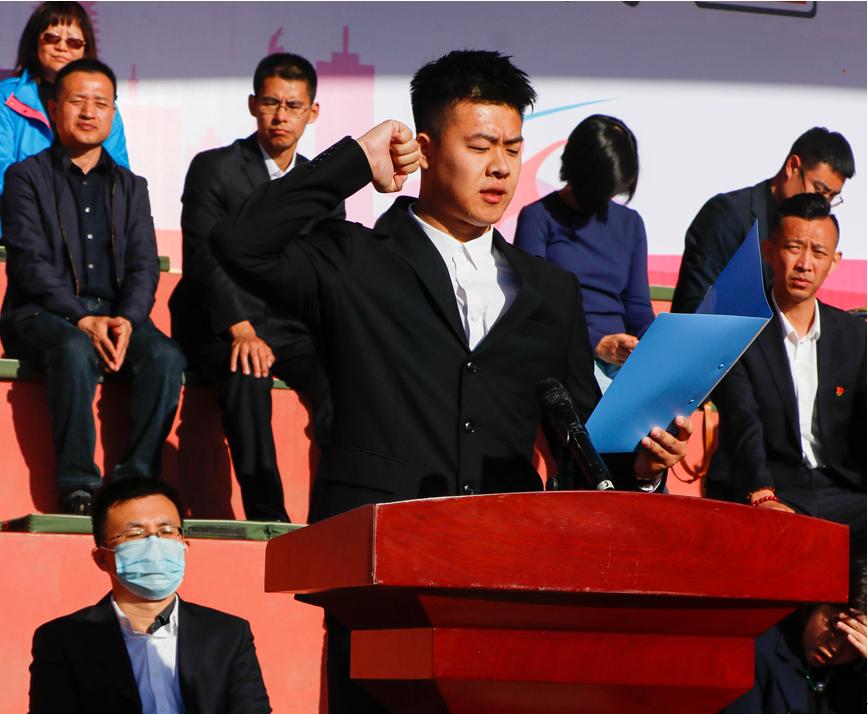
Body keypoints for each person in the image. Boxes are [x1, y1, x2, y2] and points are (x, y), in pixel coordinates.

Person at [212, 49, 691, 712]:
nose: (501, 166)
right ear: (427, 149)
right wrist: (355, 161)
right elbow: (240, 242)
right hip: (379, 581)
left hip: (506, 583)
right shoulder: (355, 260)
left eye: (513, 148)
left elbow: (580, 438)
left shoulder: (550, 290)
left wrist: (638, 464)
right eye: (480, 145)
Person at [0, 58, 185, 516]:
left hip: (115, 313)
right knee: (72, 347)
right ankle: (78, 485)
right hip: (41, 313)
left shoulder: (132, 186)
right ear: (53, 108)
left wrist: (128, 319)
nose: (89, 112)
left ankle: (135, 481)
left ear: (113, 113)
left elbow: (144, 264)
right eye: (78, 101)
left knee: (165, 357)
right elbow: (29, 262)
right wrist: (81, 318)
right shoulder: (24, 178)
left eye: (101, 103)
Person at [170, 53, 339, 523]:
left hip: (291, 326)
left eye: (293, 105)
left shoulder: (321, 182)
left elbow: (329, 267)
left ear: (312, 112)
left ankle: (334, 515)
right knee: (246, 372)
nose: (281, 116)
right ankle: (269, 516)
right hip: (222, 323)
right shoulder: (215, 168)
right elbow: (203, 256)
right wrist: (240, 327)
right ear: (252, 105)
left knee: (346, 374)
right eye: (270, 103)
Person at [707, 194, 866, 560]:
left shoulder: (853, 335)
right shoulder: (740, 330)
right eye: (794, 248)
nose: (805, 264)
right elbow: (742, 420)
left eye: (818, 253)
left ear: (834, 261)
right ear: (769, 250)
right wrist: (761, 492)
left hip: (838, 485)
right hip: (770, 484)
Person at [28, 476, 272, 713]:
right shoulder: (63, 640)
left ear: (184, 546)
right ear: (102, 558)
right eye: (135, 534)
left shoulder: (228, 635)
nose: (154, 543)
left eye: (166, 531)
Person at [514, 114, 654, 391]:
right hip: (565, 353)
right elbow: (534, 306)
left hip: (622, 357)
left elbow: (638, 307)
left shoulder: (631, 223)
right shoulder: (538, 218)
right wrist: (596, 343)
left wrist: (649, 346)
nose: (606, 199)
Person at [671, 127, 855, 314]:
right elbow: (696, 305)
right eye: (819, 190)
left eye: (832, 197)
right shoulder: (727, 214)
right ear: (792, 166)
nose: (823, 204)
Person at [0, 2, 128, 227]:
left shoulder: (102, 105)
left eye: (73, 42)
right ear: (34, 41)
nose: (62, 47)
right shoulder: (6, 97)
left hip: (85, 229)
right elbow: (3, 172)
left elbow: (119, 175)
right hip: (20, 226)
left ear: (85, 49)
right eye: (52, 38)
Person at [723, 558, 866, 714]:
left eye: (854, 642)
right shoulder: (757, 651)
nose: (835, 647)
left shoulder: (858, 676)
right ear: (819, 601)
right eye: (834, 627)